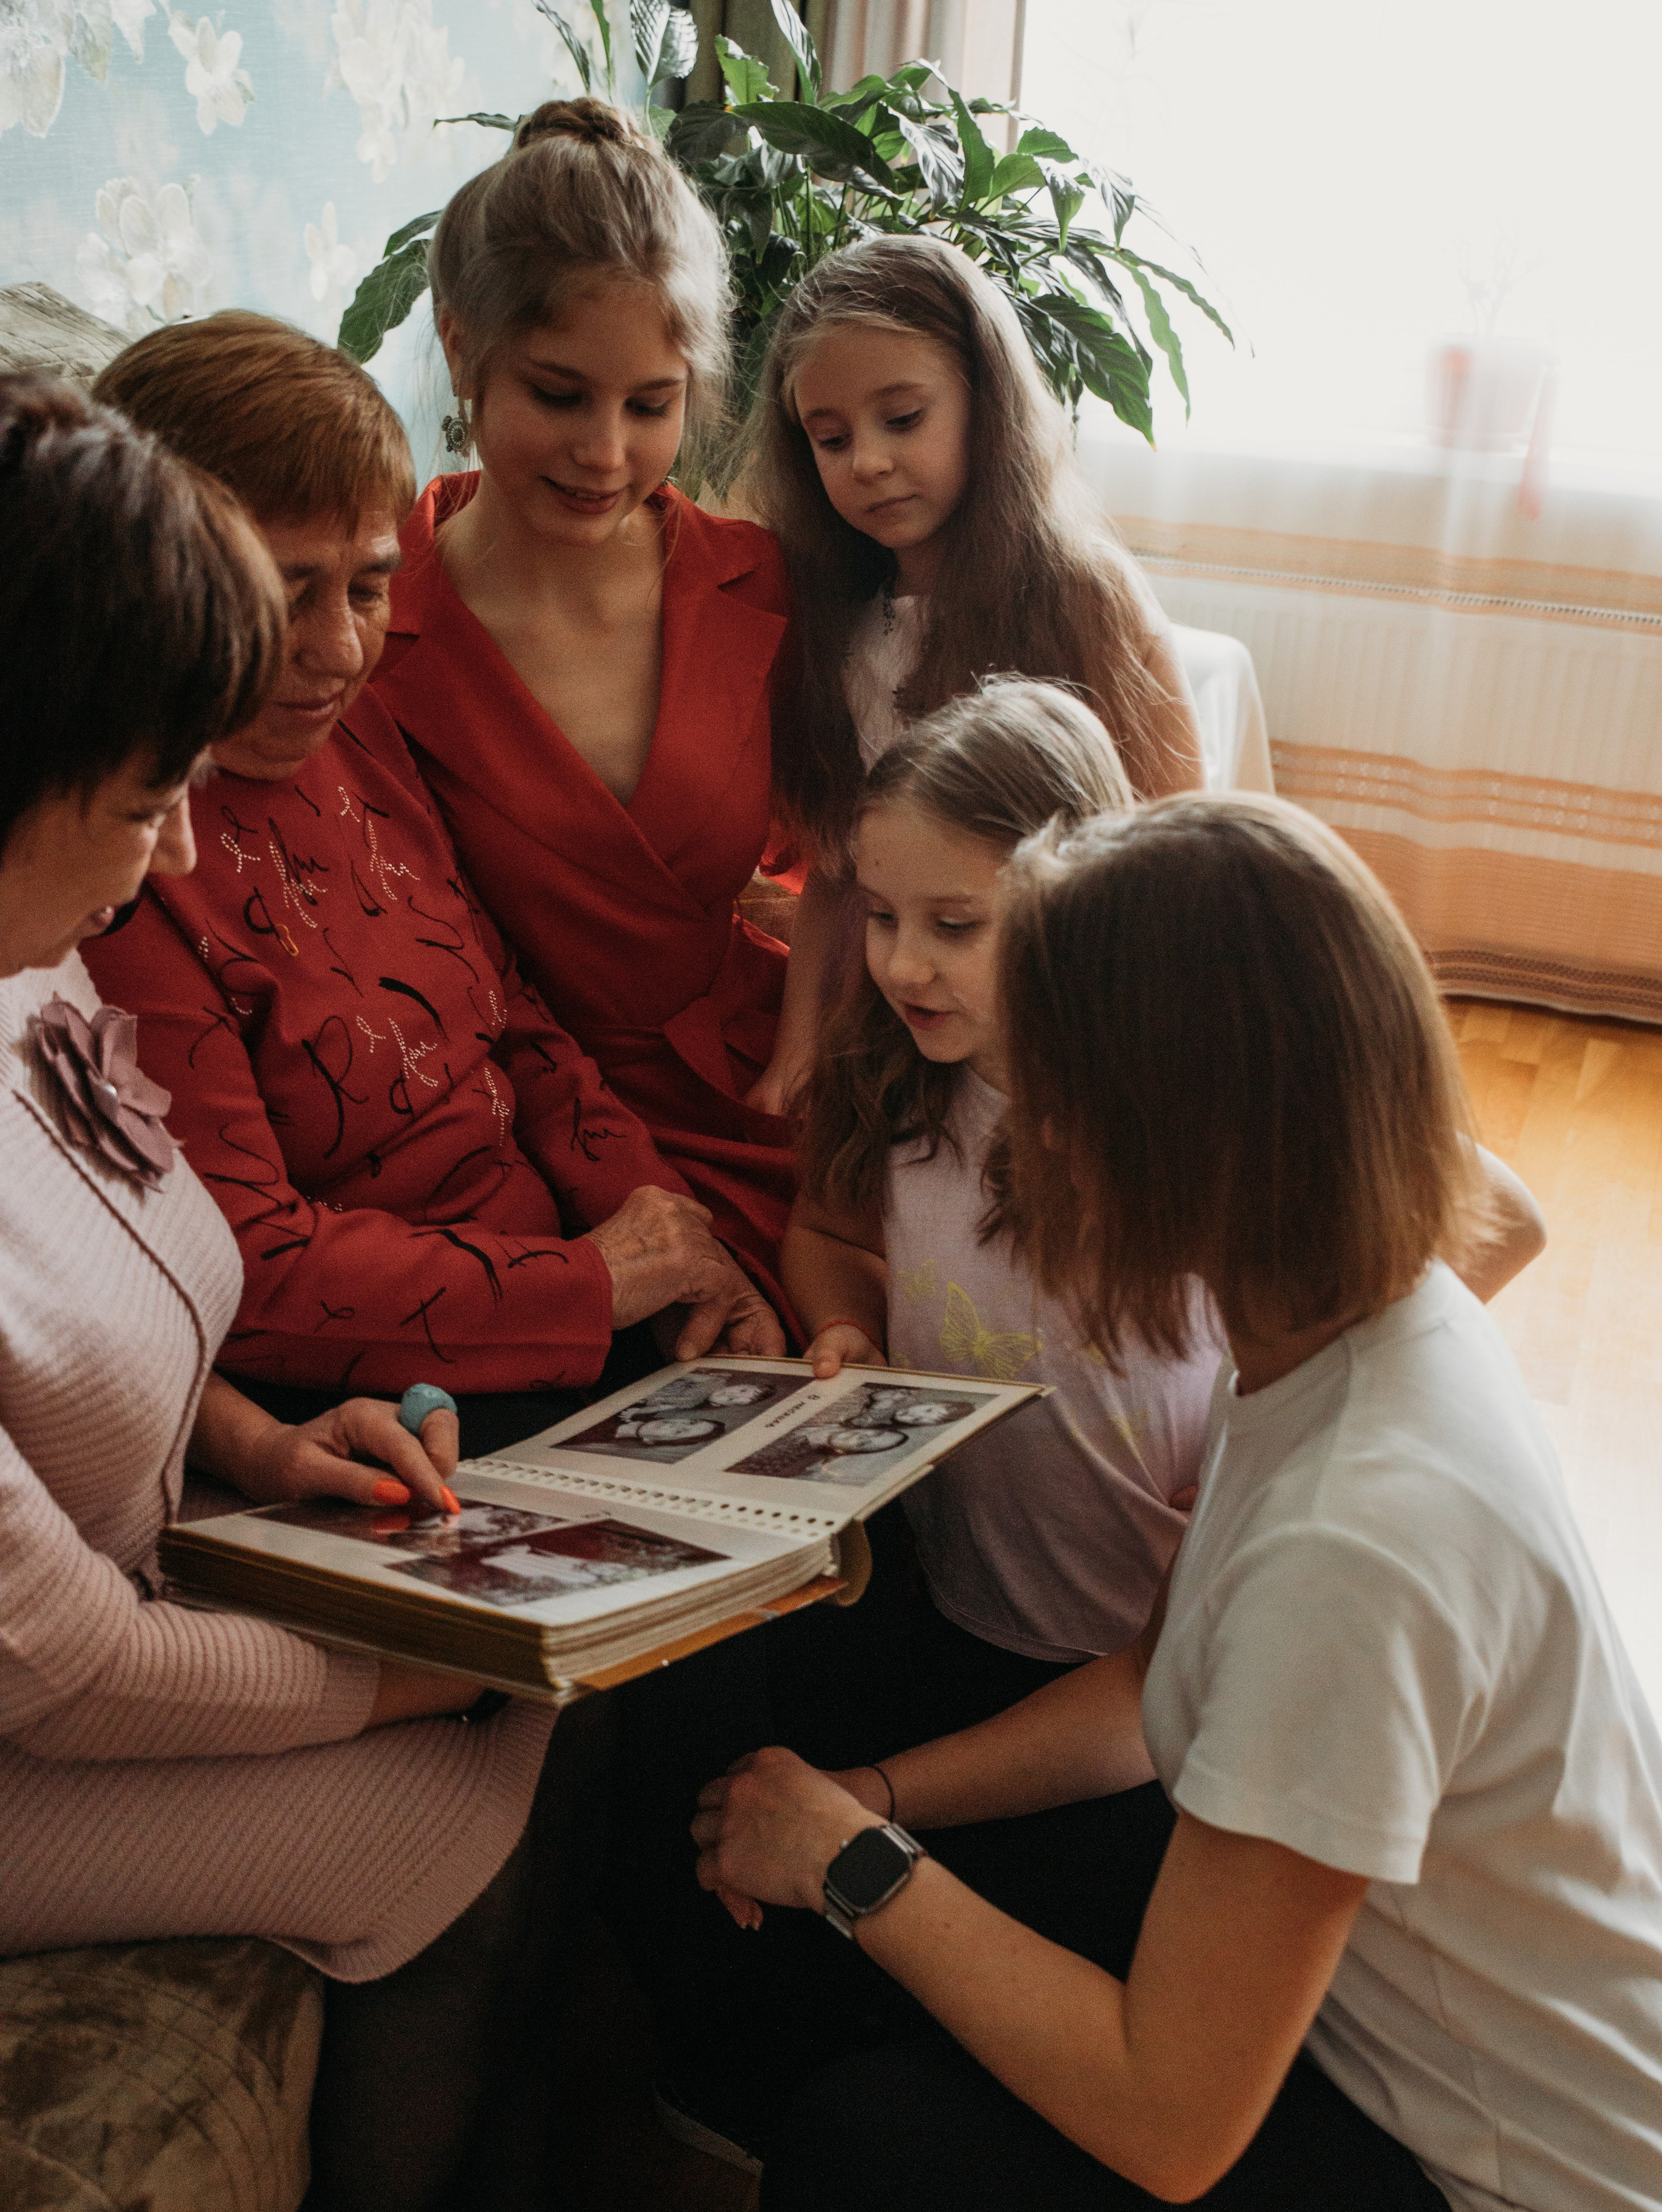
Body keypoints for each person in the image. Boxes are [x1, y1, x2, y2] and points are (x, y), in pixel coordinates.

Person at [694, 793, 1662, 2212]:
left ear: (1175, 1131)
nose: (1018, 1143)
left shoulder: (1357, 1538)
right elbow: (1153, 1694)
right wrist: (877, 1795)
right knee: (894, 1987)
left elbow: (1167, 2112)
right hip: (1458, 2062)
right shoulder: (1346, 1307)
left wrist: (854, 1867)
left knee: (852, 2174)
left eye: (1051, 1101)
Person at [0, 374, 757, 2212]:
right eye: (142, 789)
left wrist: (257, 1446)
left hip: (116, 1567)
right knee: (462, 1791)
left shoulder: (25, 963)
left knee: (540, 1695)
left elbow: (146, 1280)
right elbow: (59, 1669)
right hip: (29, 1699)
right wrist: (409, 1666)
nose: (171, 851)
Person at [626, 678, 1544, 2169]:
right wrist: (845, 1323)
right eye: (880, 917)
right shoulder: (906, 1077)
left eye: (961, 924)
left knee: (971, 1986)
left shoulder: (1196, 1130)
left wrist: (1274, 1438)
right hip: (985, 1594)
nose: (910, 966)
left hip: (1135, 1669)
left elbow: (1480, 1214)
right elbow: (833, 1226)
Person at [90, 314, 780, 1459]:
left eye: (366, 588)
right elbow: (244, 1266)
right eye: (281, 593)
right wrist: (589, 1284)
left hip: (578, 1294)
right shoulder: (115, 854)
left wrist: (673, 1241)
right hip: (400, 1390)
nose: (336, 650)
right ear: (148, 580)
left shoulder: (355, 734)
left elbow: (515, 1020)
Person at [373, 98, 800, 1318]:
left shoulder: (758, 585)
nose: (607, 453)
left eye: (652, 405)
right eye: (561, 396)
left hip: (771, 1101)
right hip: (513, 1147)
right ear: (464, 353)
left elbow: (861, 867)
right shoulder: (371, 627)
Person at [741, 232, 1206, 1112]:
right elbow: (839, 873)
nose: (867, 461)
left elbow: (1173, 847)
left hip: (1071, 1023)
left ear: (985, 403)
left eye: (903, 419)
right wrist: (794, 1059)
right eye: (829, 439)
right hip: (902, 1021)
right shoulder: (839, 619)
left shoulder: (1085, 594)